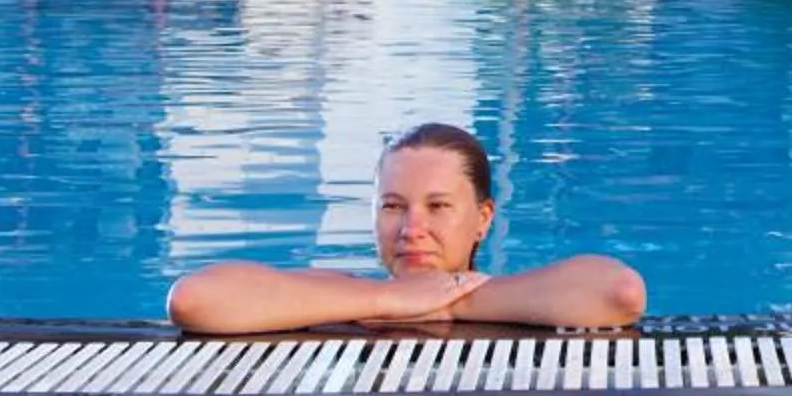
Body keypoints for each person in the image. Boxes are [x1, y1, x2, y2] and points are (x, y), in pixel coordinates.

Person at [166, 122, 647, 334]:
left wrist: (456, 300)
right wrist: (387, 300)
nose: (411, 228)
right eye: (393, 206)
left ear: (483, 219)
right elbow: (195, 299)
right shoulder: (345, 294)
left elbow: (619, 293)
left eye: (438, 206)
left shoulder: (520, 292)